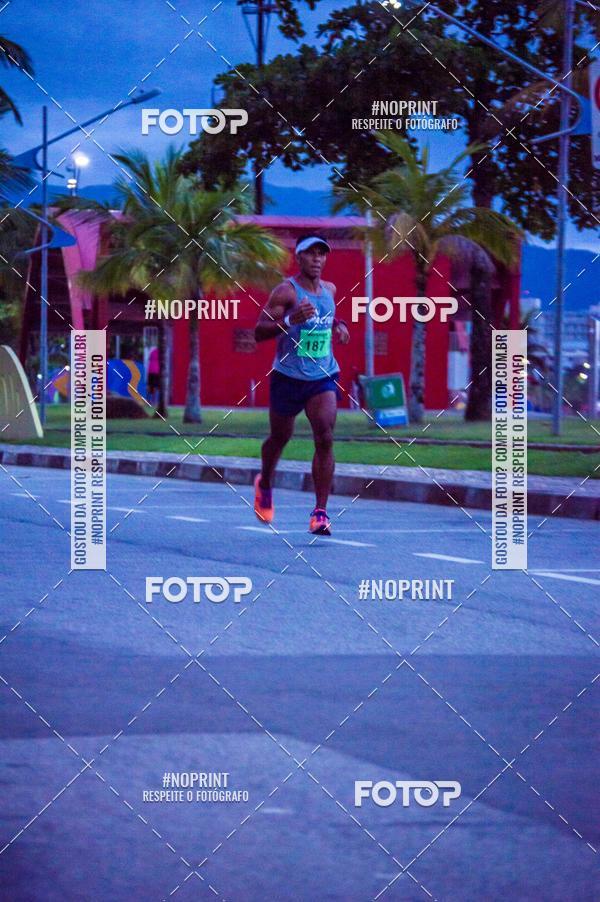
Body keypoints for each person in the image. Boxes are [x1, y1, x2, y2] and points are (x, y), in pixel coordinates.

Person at [253, 234, 349, 535]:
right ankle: (265, 482)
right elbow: (259, 332)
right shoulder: (286, 291)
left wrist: (340, 325)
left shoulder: (330, 290)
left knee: (325, 437)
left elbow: (326, 317)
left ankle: (320, 512)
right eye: (311, 253)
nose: (317, 258)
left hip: (322, 376)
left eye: (322, 253)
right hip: (288, 377)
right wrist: (290, 320)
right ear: (299, 257)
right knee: (280, 437)